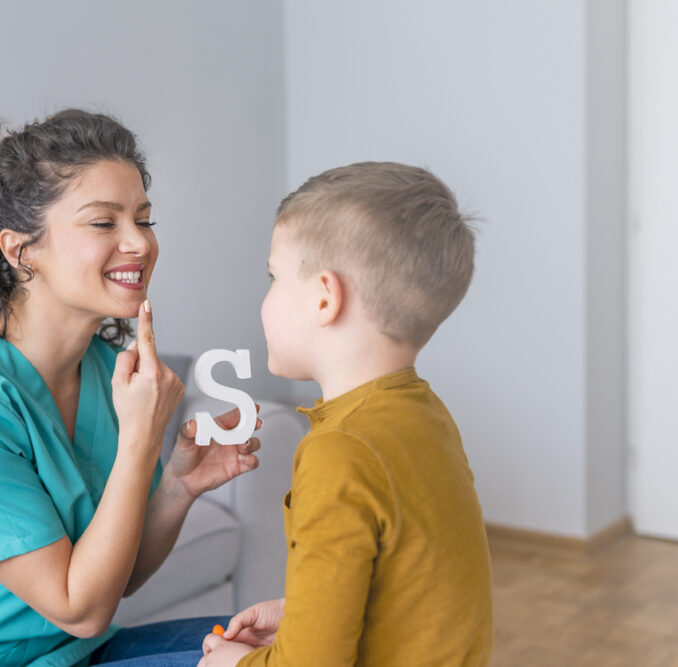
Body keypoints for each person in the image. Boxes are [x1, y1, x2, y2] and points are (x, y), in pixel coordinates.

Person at [0, 109, 261, 666]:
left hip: (70, 653)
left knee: (283, 647)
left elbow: (115, 575)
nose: (139, 243)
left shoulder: (101, 371)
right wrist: (142, 441)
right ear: (22, 251)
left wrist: (179, 485)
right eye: (104, 223)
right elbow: (82, 606)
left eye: (144, 220)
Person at [199, 162, 493, 666]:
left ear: (324, 297)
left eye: (273, 277)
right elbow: (411, 589)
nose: (265, 298)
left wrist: (233, 663)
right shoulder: (426, 415)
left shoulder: (339, 453)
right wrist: (303, 614)